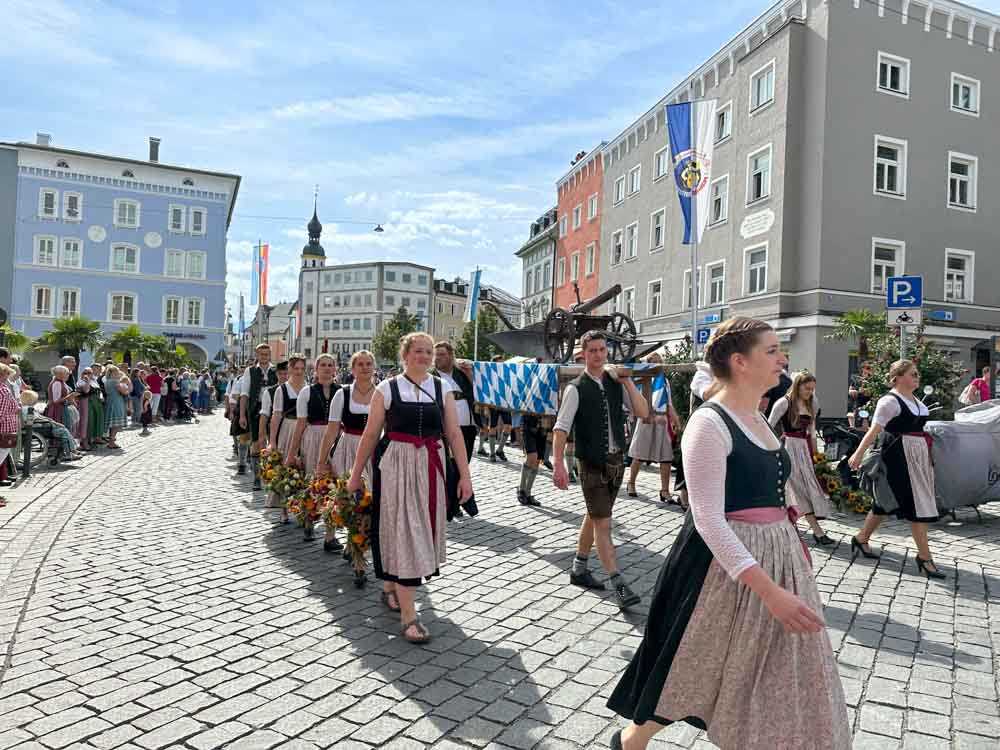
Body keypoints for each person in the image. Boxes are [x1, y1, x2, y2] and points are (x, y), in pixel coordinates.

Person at [607, 317, 850, 750]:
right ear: (740, 361)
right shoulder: (709, 424)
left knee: (777, 669)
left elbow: (772, 487)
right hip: (724, 569)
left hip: (779, 558)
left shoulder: (755, 416)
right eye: (772, 351)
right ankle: (631, 741)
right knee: (697, 664)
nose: (782, 359)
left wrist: (790, 536)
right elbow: (708, 520)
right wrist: (770, 592)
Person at [347, 332, 473, 644]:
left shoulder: (442, 388)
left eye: (429, 352)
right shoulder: (386, 389)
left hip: (431, 466)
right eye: (419, 351)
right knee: (404, 532)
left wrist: (465, 476)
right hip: (396, 467)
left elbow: (455, 434)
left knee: (420, 530)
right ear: (405, 355)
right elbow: (370, 434)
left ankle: (391, 586)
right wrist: (354, 474)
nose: (425, 356)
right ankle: (409, 618)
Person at [552, 330, 650, 608]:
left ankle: (579, 568)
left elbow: (643, 413)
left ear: (607, 352)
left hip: (617, 462)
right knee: (604, 523)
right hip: (591, 463)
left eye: (602, 350)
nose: (597, 355)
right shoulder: (576, 388)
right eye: (592, 350)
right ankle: (618, 583)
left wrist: (628, 382)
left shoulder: (615, 383)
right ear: (583, 354)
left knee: (595, 515)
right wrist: (558, 464)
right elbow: (561, 429)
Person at [848, 360, 944, 579]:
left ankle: (861, 538)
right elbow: (874, 430)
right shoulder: (889, 401)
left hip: (916, 456)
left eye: (917, 373)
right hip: (898, 456)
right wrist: (858, 453)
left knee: (885, 502)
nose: (917, 377)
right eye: (912, 374)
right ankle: (924, 558)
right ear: (898, 377)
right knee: (915, 504)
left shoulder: (916, 400)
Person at [318, 350, 377, 553]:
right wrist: (321, 460)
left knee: (367, 496)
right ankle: (330, 535)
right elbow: (331, 430)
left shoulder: (382, 393)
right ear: (352, 369)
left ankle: (356, 543)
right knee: (344, 493)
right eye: (360, 364)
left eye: (368, 364)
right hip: (348, 446)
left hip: (373, 449)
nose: (365, 368)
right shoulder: (342, 394)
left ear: (374, 367)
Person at [768, 371, 834, 545]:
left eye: (812, 389)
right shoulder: (784, 403)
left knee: (809, 487)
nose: (810, 392)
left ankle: (790, 524)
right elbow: (768, 427)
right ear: (797, 386)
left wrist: (816, 456)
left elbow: (812, 432)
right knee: (799, 489)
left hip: (805, 450)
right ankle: (818, 532)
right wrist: (774, 450)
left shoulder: (812, 402)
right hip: (789, 448)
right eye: (807, 388)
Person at [626, 354, 681, 504]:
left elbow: (669, 404)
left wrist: (675, 419)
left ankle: (665, 490)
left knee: (666, 457)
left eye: (659, 361)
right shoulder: (644, 379)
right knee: (639, 454)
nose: (658, 364)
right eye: (654, 361)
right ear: (649, 364)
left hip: (662, 420)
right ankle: (631, 482)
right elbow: (637, 402)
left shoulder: (665, 381)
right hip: (646, 418)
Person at [287, 354, 339, 475]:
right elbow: (300, 424)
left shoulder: (341, 391)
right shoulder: (307, 392)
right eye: (323, 365)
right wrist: (292, 454)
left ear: (334, 369)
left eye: (330, 365)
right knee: (313, 475)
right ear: (316, 369)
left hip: (336, 439)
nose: (327, 368)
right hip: (313, 438)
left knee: (336, 476)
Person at [431, 342, 479, 463]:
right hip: (444, 429)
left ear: (451, 355)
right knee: (448, 465)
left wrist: (469, 374)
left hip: (468, 426)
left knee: (464, 462)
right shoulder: (431, 376)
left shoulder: (462, 373)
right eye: (435, 355)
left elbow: (478, 392)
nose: (438, 358)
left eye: (442, 354)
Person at [240, 345, 277, 484]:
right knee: (256, 442)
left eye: (266, 354)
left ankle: (271, 473)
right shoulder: (250, 371)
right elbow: (244, 394)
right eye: (261, 354)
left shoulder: (275, 370)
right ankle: (257, 476)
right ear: (257, 355)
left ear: (270, 355)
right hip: (256, 409)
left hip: (274, 410)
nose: (264, 357)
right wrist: (242, 415)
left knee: (274, 442)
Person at [0, 364, 20, 488]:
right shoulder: (3, 390)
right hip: (4, 430)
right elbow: (0, 413)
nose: (8, 376)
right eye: (7, 373)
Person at [847, 361, 873, 429]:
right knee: (854, 423)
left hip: (867, 405)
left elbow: (870, 393)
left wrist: (863, 391)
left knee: (864, 424)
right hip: (856, 404)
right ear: (863, 369)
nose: (869, 370)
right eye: (867, 368)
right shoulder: (856, 379)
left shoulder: (873, 380)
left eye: (870, 368)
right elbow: (850, 390)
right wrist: (852, 391)